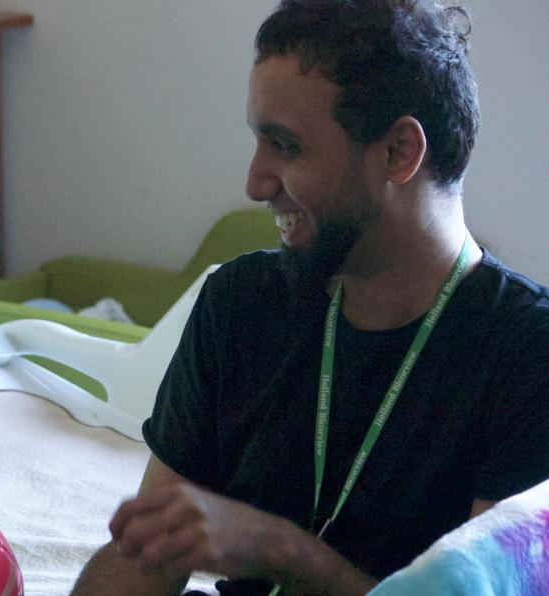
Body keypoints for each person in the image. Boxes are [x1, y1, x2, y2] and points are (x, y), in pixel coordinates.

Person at [73, 1, 549, 595]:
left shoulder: (526, 354)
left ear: (399, 152)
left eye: (286, 146)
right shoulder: (238, 305)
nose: (255, 183)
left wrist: (284, 551)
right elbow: (147, 556)